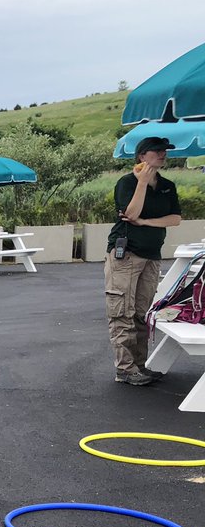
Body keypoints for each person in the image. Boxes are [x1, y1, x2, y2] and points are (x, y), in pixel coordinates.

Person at [105, 135, 182, 386]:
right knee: (122, 312)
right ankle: (125, 369)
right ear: (142, 156)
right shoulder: (126, 182)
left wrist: (147, 222)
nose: (163, 154)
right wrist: (142, 184)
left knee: (141, 313)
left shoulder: (167, 185)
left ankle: (139, 365)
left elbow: (175, 218)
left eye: (165, 151)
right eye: (157, 151)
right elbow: (130, 213)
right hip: (127, 253)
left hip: (152, 255)